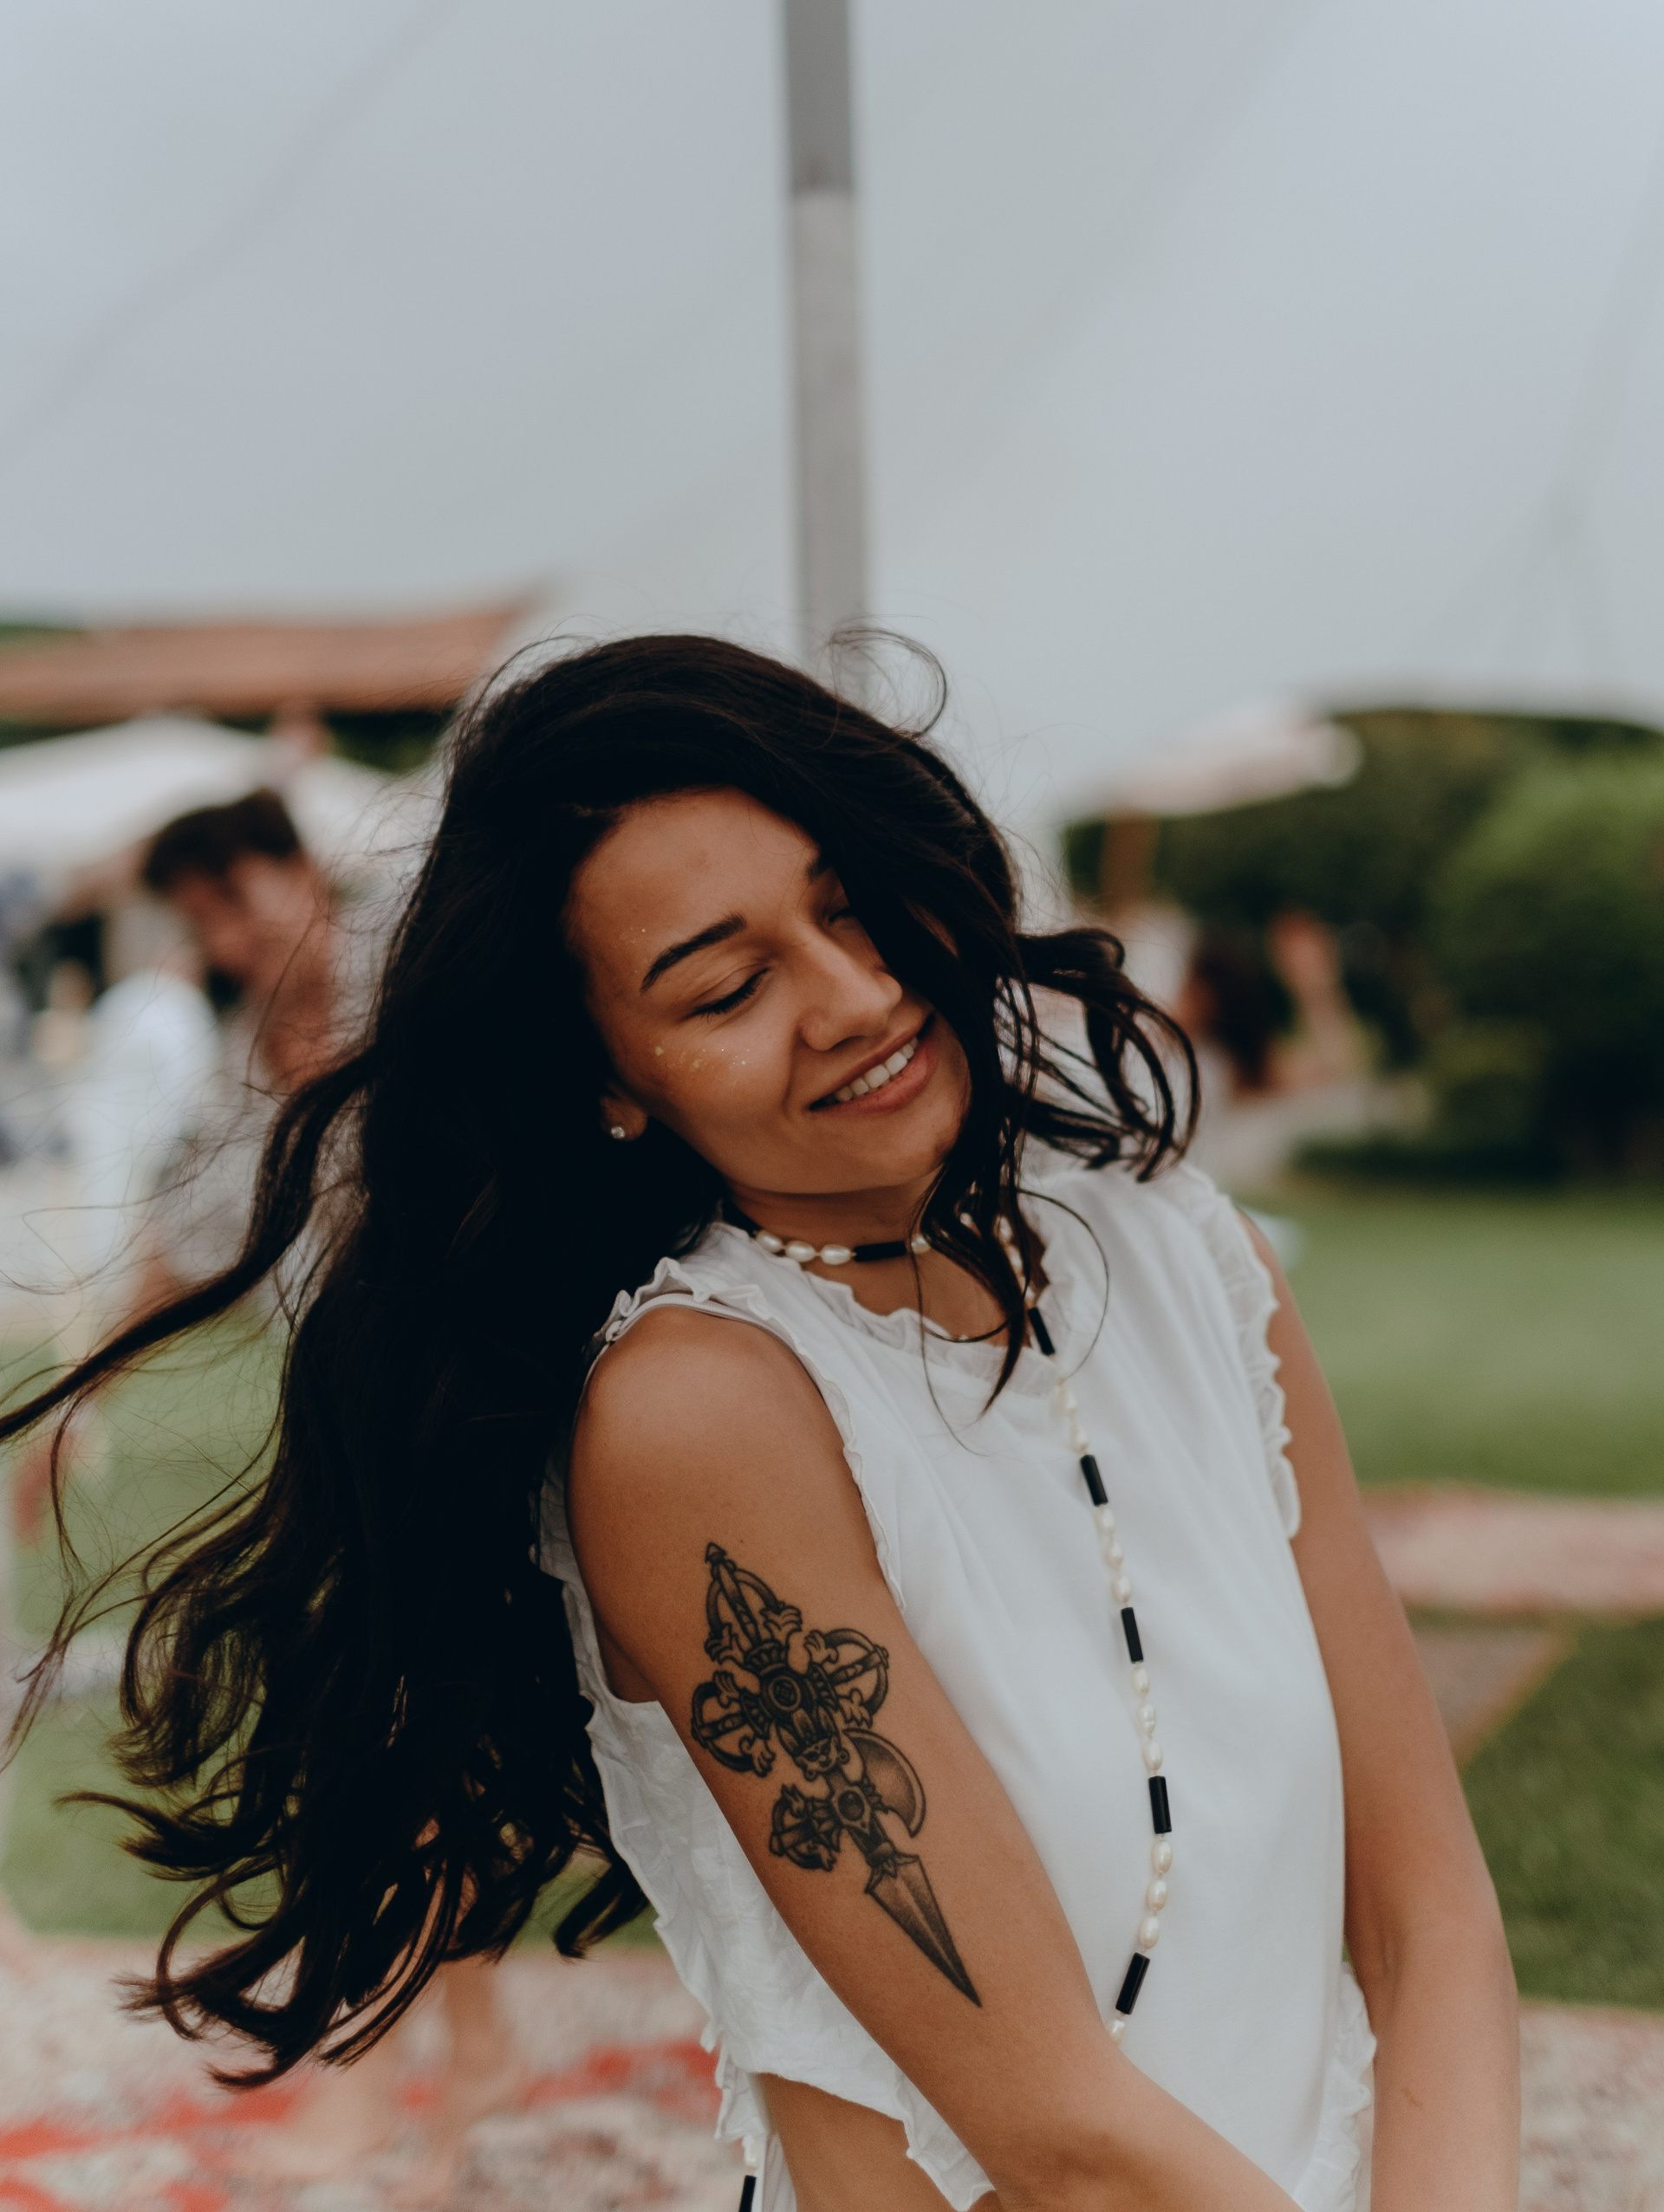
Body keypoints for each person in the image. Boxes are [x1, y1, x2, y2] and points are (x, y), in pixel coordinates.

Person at [0, 638, 1518, 2212]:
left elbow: (1430, 1922)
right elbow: (1060, 2134)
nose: (856, 998)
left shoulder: (1195, 1260)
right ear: (610, 1081)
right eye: (727, 987)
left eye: (851, 902)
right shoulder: (701, 1413)